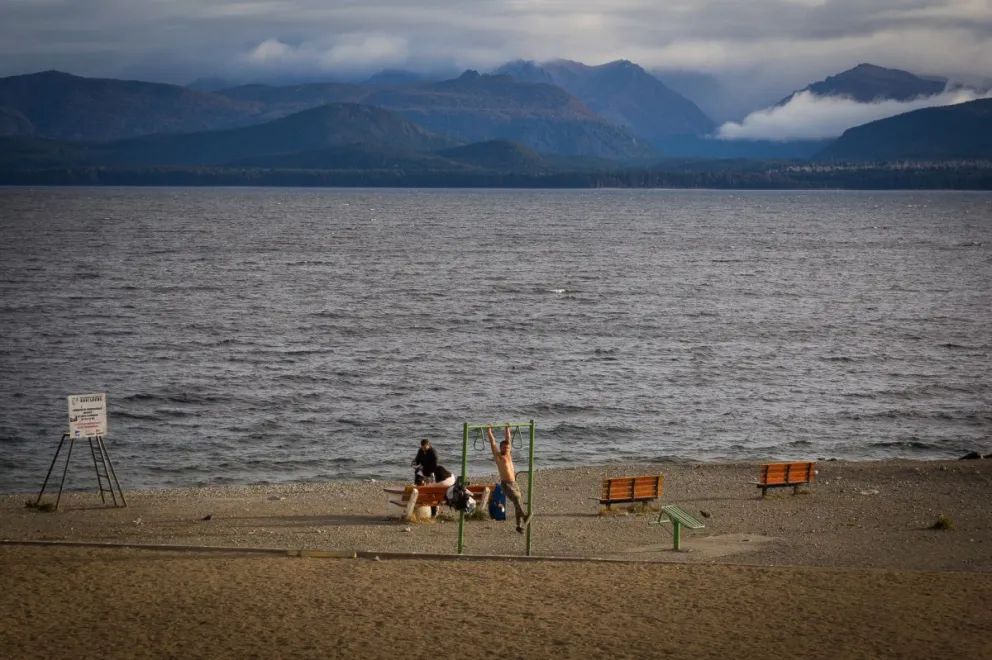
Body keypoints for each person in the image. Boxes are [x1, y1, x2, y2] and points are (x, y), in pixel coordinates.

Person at [487, 425, 530, 533]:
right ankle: (524, 516)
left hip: (514, 482)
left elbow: (508, 439)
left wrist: (507, 429)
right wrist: (489, 431)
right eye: (504, 448)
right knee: (516, 498)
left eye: (507, 448)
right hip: (506, 484)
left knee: (518, 502)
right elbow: (493, 444)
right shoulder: (499, 457)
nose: (506, 449)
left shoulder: (508, 455)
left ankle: (518, 526)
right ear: (501, 448)